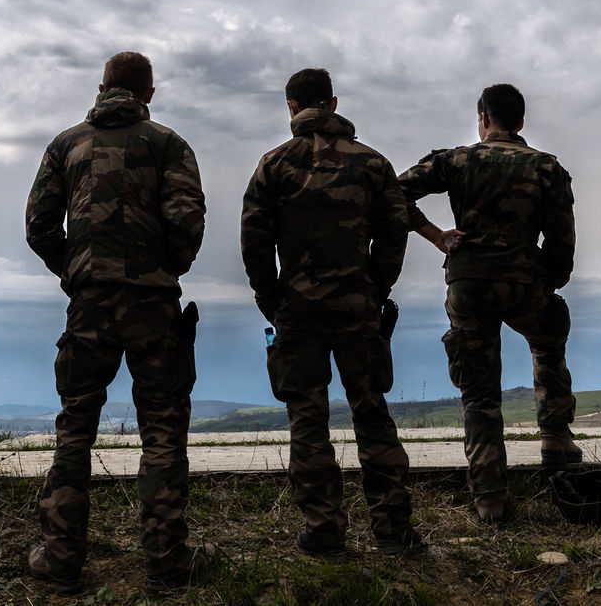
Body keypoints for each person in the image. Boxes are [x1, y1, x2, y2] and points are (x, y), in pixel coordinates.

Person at [25, 52, 208, 594]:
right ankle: (167, 564)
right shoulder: (169, 144)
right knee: (163, 431)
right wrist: (162, 268)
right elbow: (186, 220)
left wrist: (78, 271)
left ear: (102, 86)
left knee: (75, 428)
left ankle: (60, 562)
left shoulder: (66, 144)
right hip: (154, 306)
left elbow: (39, 226)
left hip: (89, 307)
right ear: (148, 93)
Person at [241, 68, 421, 559]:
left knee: (307, 419)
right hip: (358, 309)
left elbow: (254, 243)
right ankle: (393, 531)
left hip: (297, 312)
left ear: (292, 107)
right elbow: (393, 233)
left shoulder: (273, 165)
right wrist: (374, 289)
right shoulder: (373, 164)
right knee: (373, 414)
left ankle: (323, 532)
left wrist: (273, 301)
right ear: (334, 103)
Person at [397, 83, 579, 523]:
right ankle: (555, 440)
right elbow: (561, 239)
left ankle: (490, 498)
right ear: (520, 122)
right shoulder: (547, 168)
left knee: (479, 393)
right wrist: (549, 280)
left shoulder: (456, 160)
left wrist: (436, 234)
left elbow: (393, 193)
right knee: (549, 335)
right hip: (524, 282)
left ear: (483, 119)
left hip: (469, 285)